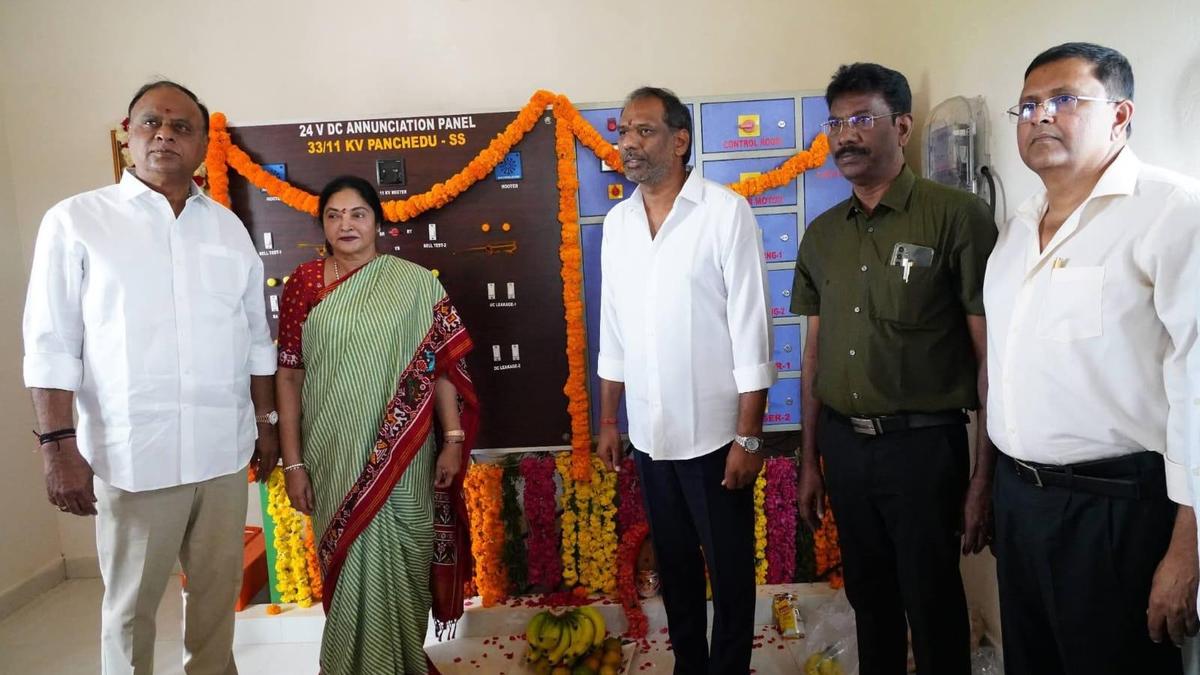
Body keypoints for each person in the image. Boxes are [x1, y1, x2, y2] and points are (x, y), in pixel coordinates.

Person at [23, 80, 278, 674]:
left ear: (201, 143)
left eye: (181, 126)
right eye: (151, 123)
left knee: (216, 603)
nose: (165, 135)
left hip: (220, 454)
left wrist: (265, 427)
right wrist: (57, 447)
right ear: (128, 134)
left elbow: (255, 340)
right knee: (130, 610)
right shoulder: (76, 221)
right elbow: (51, 345)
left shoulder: (227, 229)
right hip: (133, 458)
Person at [986, 42, 1200, 675]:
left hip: (1116, 512)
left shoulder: (1172, 211)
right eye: (1028, 105)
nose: (1040, 116)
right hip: (1020, 502)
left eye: (1064, 100)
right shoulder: (1016, 230)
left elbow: (1196, 385)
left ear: (1120, 115)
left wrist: (1188, 547)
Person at [791, 63, 997, 675]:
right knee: (869, 598)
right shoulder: (822, 236)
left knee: (932, 603)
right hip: (844, 448)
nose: (845, 135)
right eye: (835, 123)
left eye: (862, 119)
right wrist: (809, 459)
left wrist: (983, 479)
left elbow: (991, 356)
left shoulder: (956, 216)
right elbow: (813, 354)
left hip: (923, 449)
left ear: (902, 127)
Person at [594, 86, 775, 675]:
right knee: (674, 566)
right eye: (624, 130)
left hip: (716, 438)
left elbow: (751, 330)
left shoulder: (724, 212)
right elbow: (613, 328)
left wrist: (749, 436)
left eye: (643, 130)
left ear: (680, 140)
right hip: (651, 436)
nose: (629, 142)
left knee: (729, 570)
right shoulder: (618, 223)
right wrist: (608, 419)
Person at [275, 175, 478, 675]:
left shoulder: (415, 285)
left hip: (404, 456)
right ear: (322, 226)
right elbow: (290, 374)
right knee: (349, 568)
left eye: (357, 214)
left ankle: (403, 663)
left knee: (406, 557)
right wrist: (293, 463)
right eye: (333, 216)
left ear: (378, 223)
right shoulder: (304, 283)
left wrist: (453, 439)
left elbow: (441, 367)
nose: (345, 225)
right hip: (333, 452)